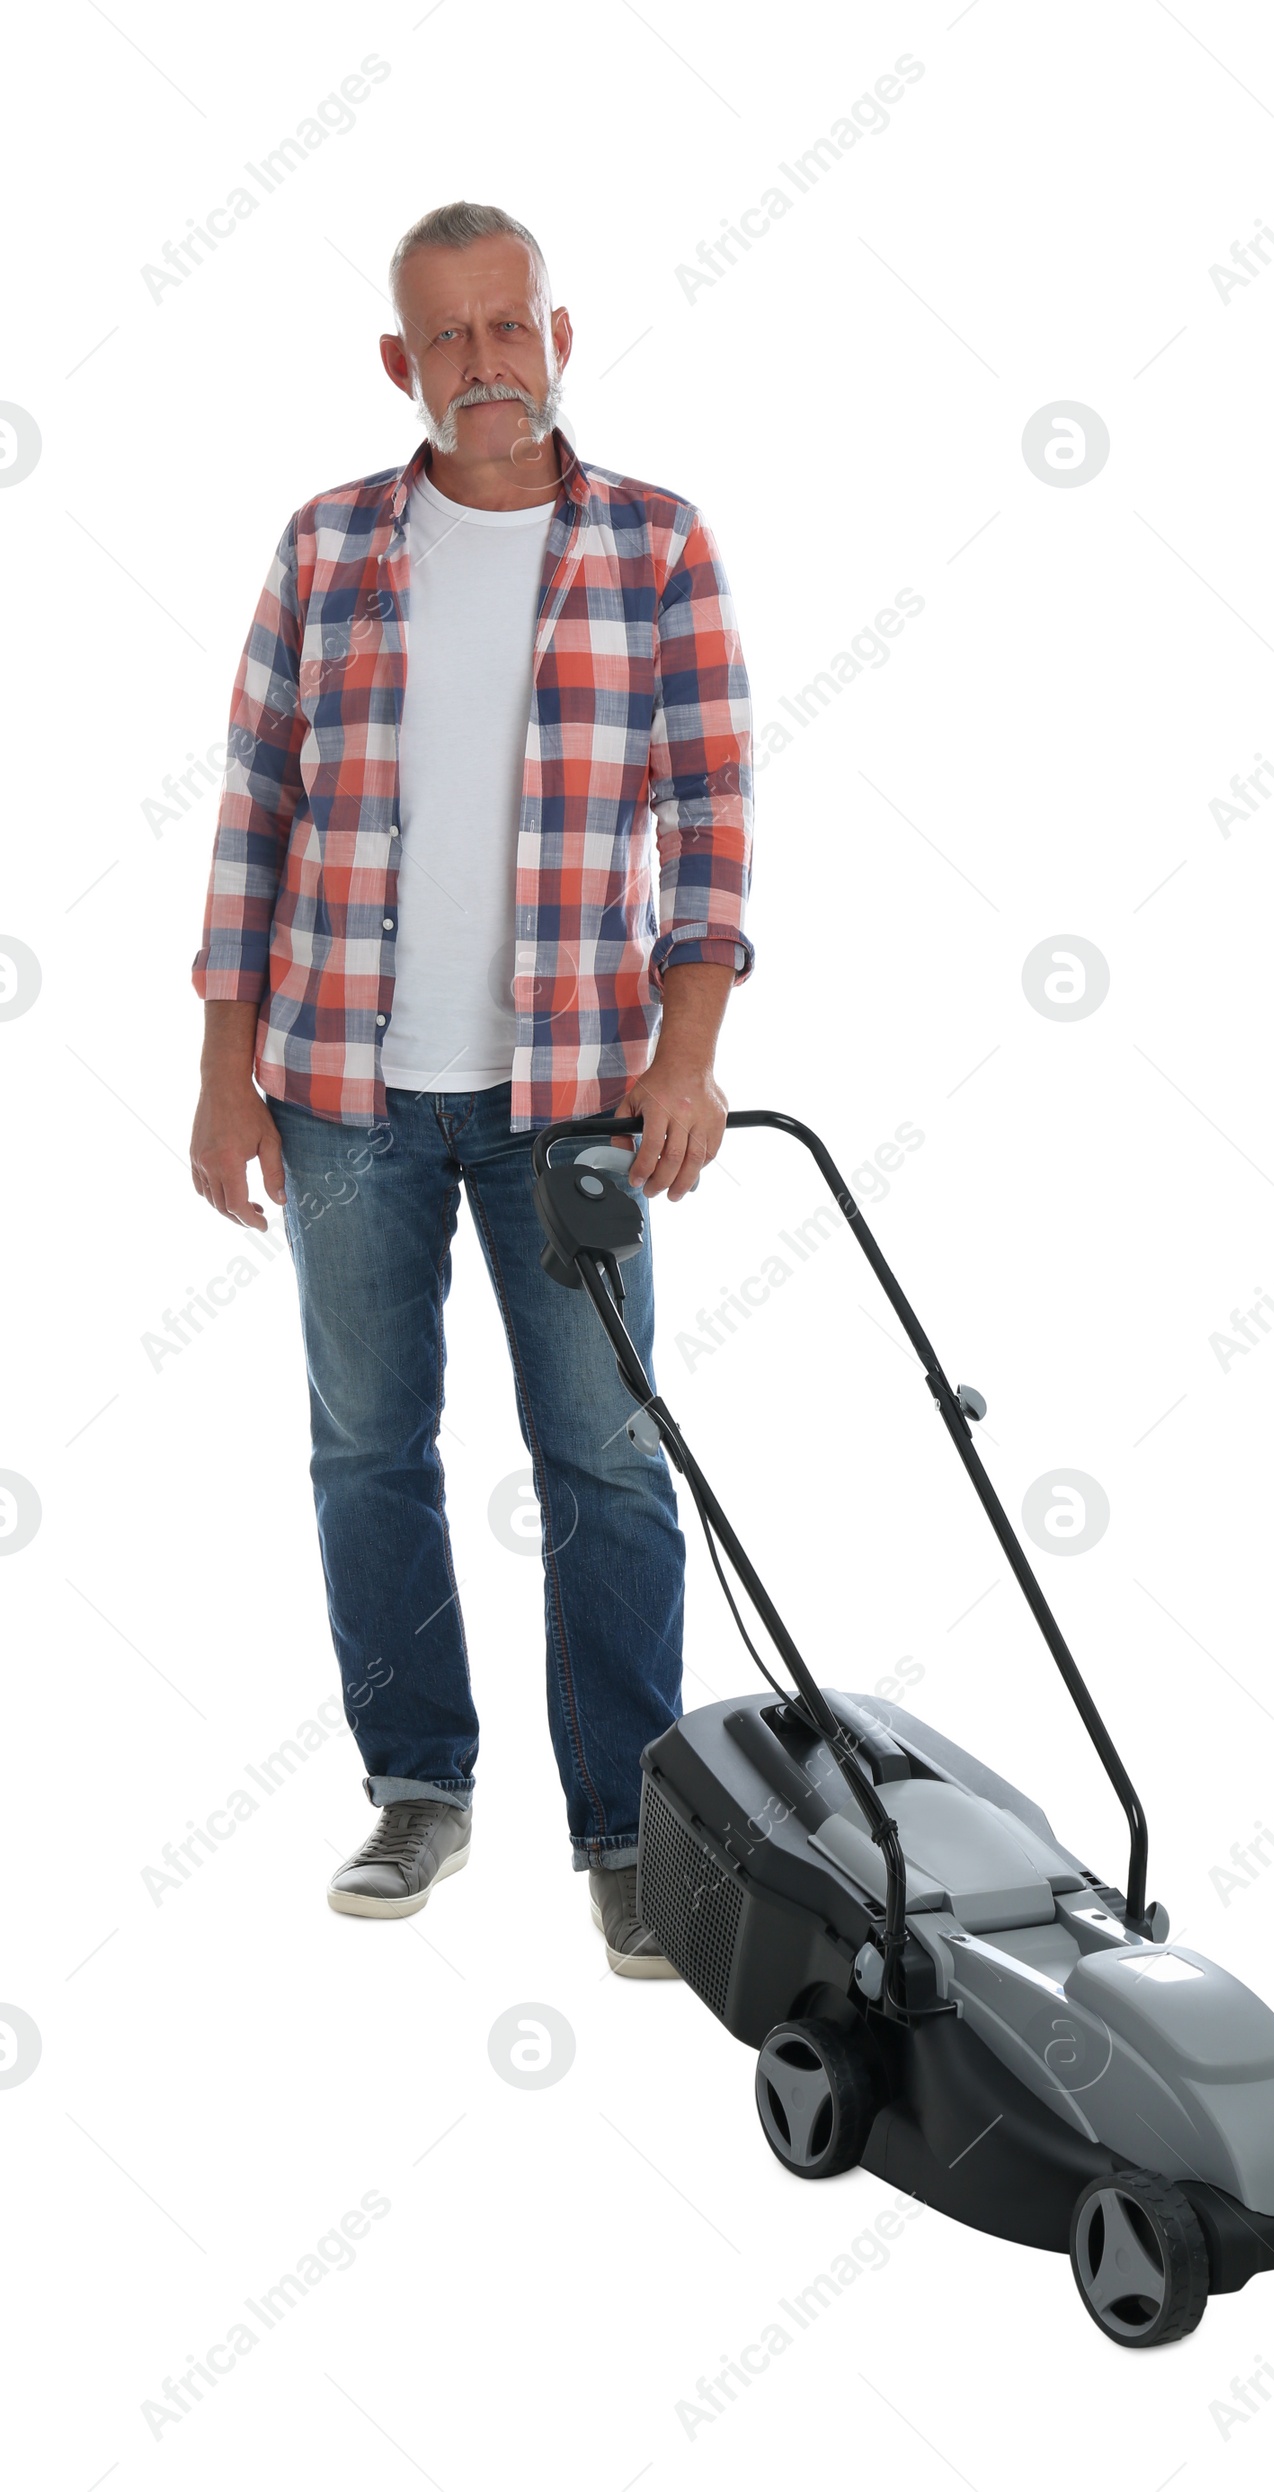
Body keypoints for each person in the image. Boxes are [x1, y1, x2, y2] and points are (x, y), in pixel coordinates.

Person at [187, 200, 754, 1973]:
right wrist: (225, 1073)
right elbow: (254, 809)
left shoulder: (655, 544)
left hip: (577, 1094)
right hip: (344, 1088)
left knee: (605, 1459)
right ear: (399, 362)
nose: (485, 364)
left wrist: (688, 1061)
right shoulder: (329, 544)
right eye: (448, 339)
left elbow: (714, 821)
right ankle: (418, 1785)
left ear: (557, 329)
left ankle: (626, 1835)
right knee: (367, 1450)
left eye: (509, 327)